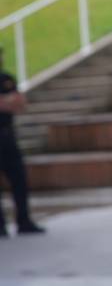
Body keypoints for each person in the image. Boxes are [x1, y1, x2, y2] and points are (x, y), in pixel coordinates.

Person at [0, 47, 45, 237]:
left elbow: (20, 103)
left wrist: (6, 102)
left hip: (7, 136)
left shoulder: (6, 78)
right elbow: (9, 103)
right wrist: (7, 101)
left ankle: (24, 221)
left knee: (19, 179)